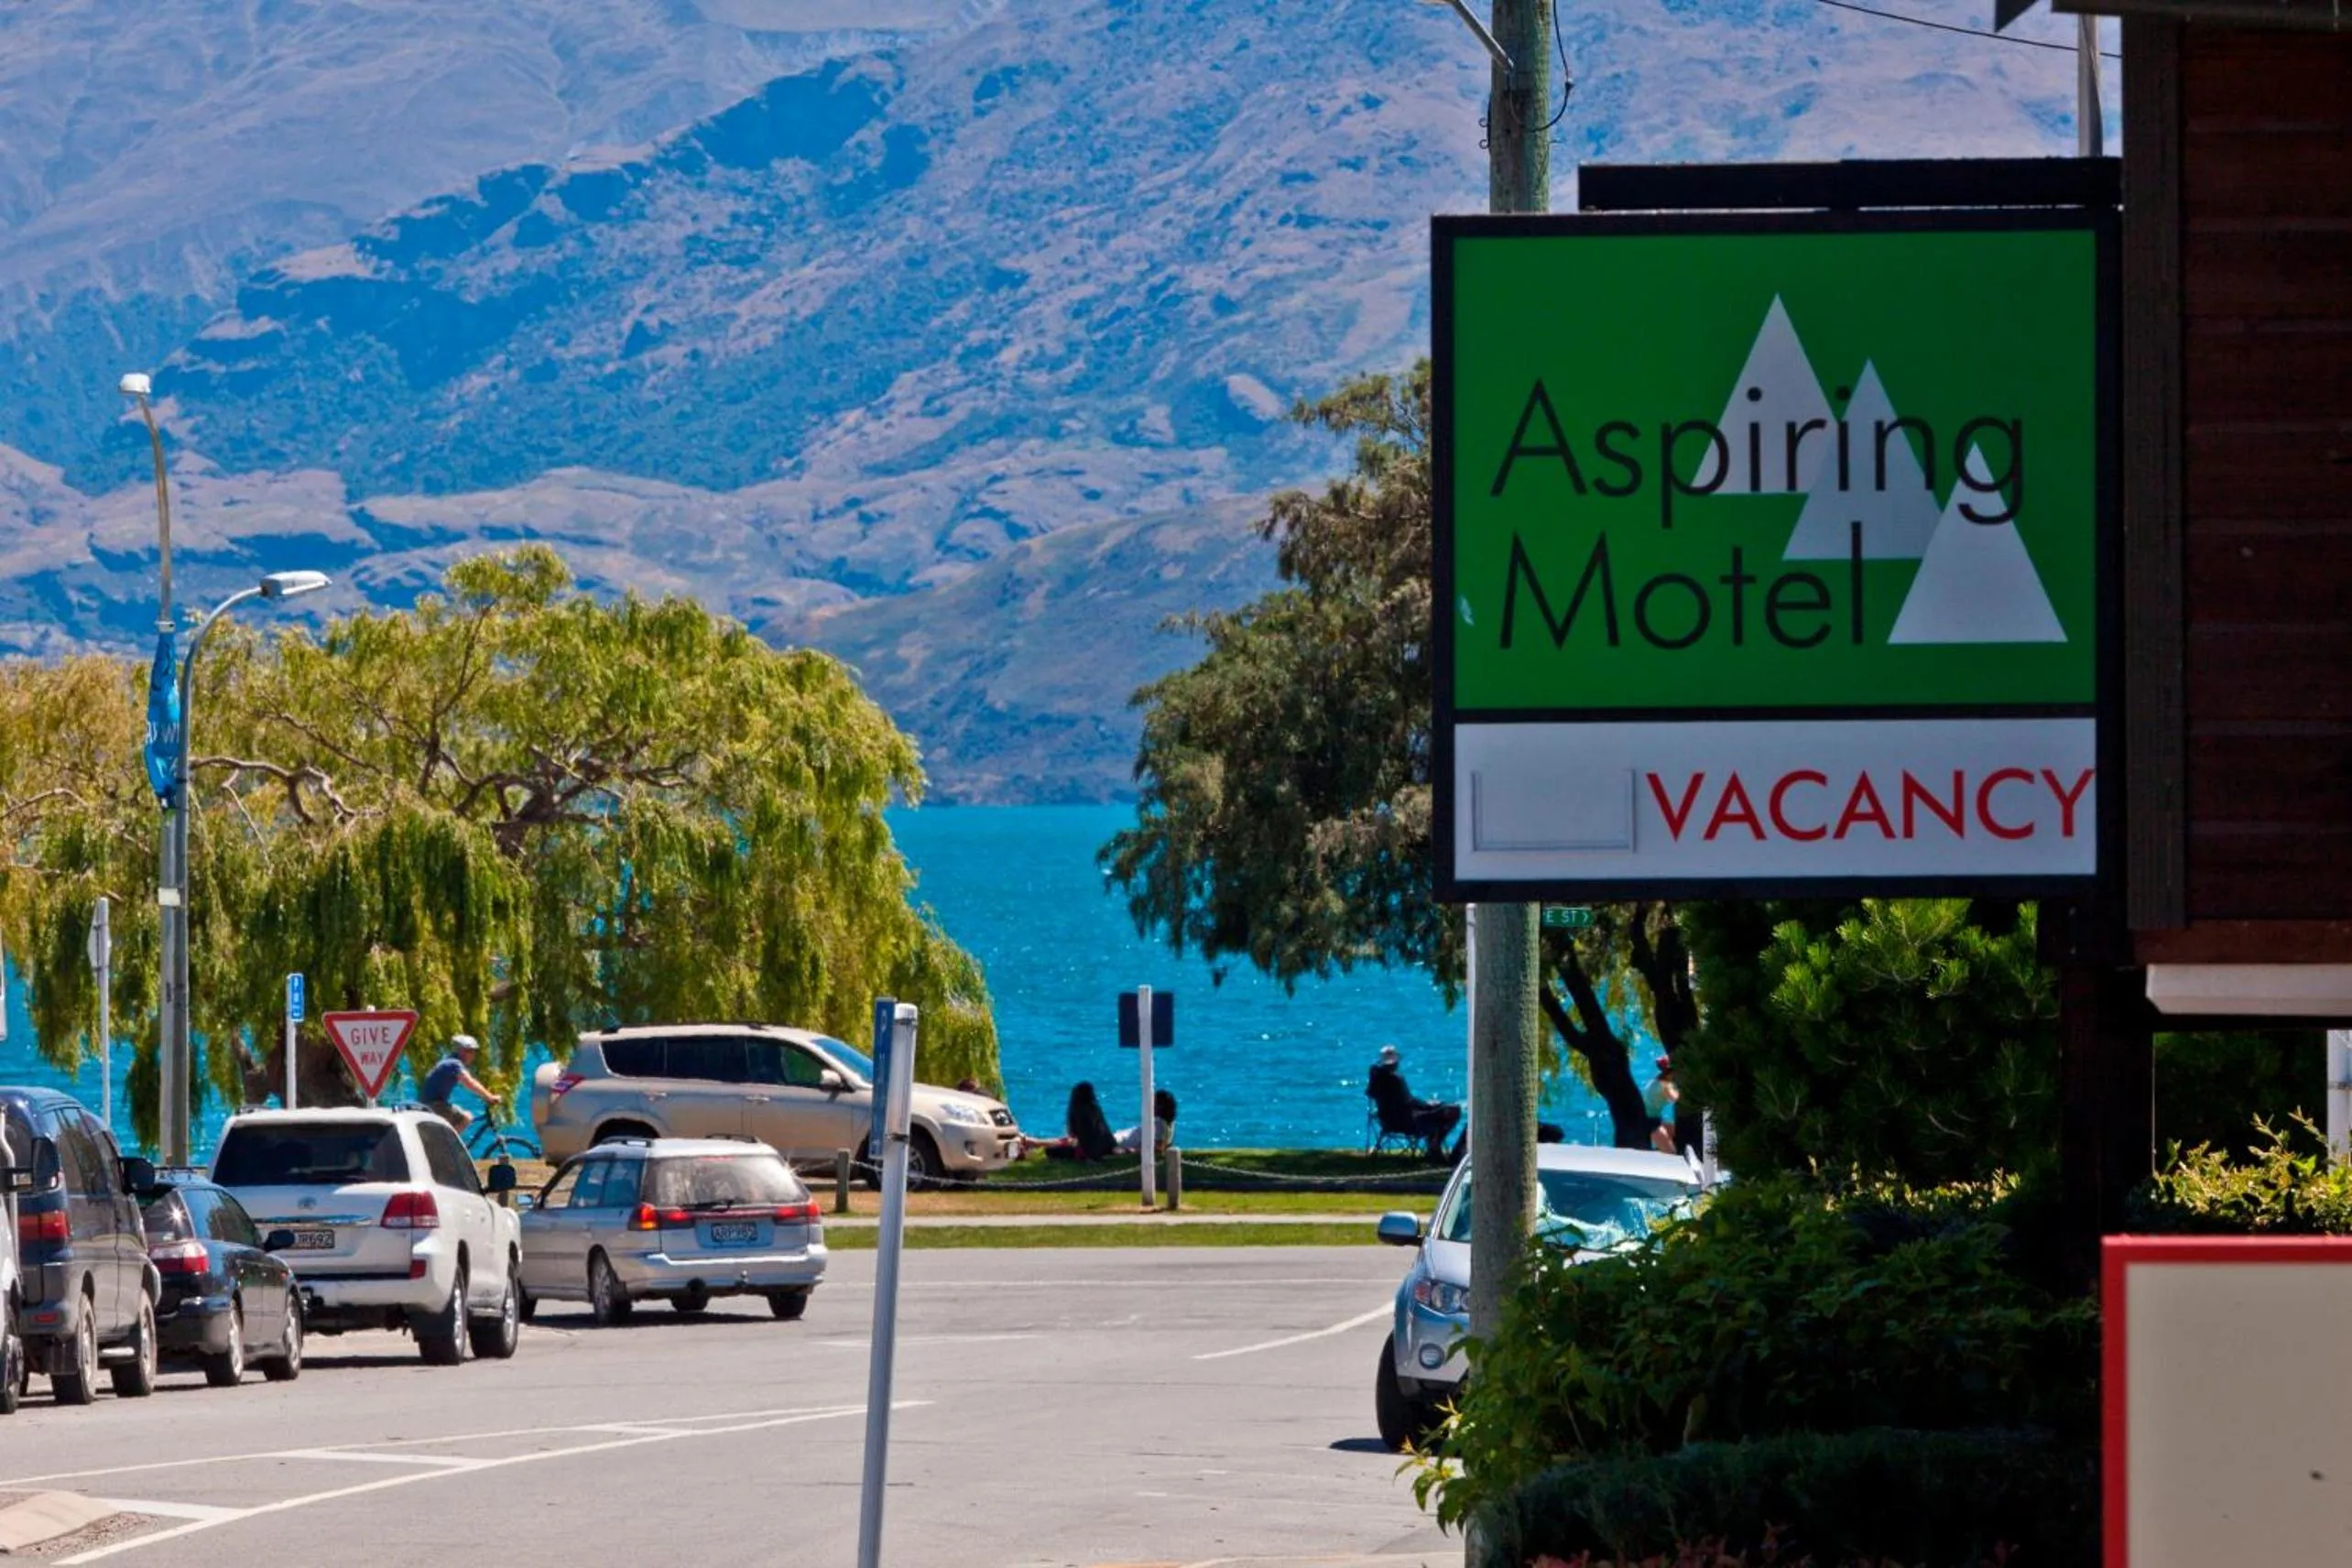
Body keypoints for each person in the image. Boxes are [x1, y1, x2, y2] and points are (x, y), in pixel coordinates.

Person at [1367, 1045, 1461, 1160]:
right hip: (1408, 1122)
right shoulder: (1395, 1079)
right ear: (1395, 1062)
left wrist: (1425, 1106)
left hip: (1388, 1121)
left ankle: (1433, 1145)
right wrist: (1428, 1105)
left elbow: (1401, 1102)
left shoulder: (1376, 1079)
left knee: (1439, 1110)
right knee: (1453, 1110)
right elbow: (1408, 1102)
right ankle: (1434, 1145)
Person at [420, 1034, 495, 1132]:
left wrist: (486, 1094)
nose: (472, 1054)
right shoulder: (454, 1064)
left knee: (458, 1112)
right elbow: (470, 1083)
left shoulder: (449, 1061)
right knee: (466, 1117)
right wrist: (490, 1097)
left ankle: (444, 1140)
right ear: (460, 1050)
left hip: (429, 1103)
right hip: (434, 1105)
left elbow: (471, 1080)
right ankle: (448, 1145)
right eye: (468, 1050)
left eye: (473, 1051)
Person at [1037, 1082, 1118, 1161]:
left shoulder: (1077, 1111)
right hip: (1105, 1148)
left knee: (1050, 1150)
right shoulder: (1095, 1109)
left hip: (1087, 1152)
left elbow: (1078, 1137)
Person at [1114, 1089, 1177, 1157]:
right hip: (1118, 1139)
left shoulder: (1161, 1126)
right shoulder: (1164, 1123)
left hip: (1117, 1142)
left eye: (1154, 1103)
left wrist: (1128, 1151)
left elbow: (1158, 1148)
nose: (1151, 1105)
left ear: (1161, 1107)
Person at [1644, 1055, 1679, 1154]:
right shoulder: (1666, 1085)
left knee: (1680, 1132)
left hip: (1651, 1120)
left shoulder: (1655, 1081)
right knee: (1672, 1154)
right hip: (1650, 1124)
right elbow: (1676, 1099)